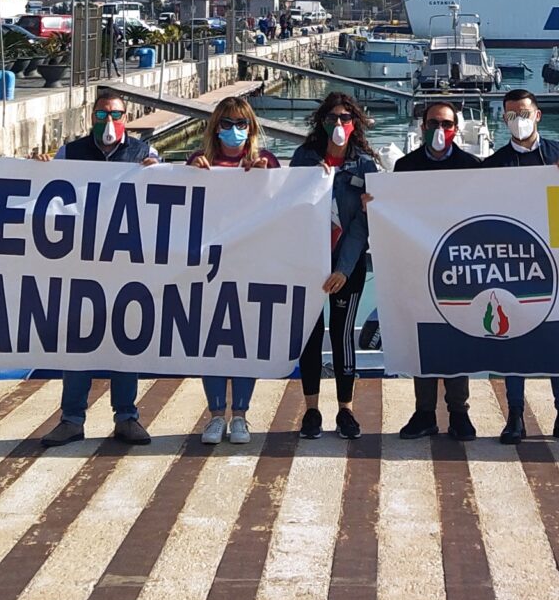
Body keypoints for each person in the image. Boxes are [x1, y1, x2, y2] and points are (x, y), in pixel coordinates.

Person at [46, 91, 160, 447]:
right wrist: (37, 166)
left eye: (115, 113)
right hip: (81, 261)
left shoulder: (144, 154)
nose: (108, 121)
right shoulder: (70, 152)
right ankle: (72, 419)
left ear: (126, 116)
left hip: (126, 264)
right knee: (77, 340)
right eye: (101, 114)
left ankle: (126, 417)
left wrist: (159, 173)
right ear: (91, 116)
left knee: (125, 339)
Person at [485, 90, 559, 444]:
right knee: (514, 338)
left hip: (557, 262)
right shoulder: (494, 165)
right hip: (513, 265)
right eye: (512, 114)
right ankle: (515, 415)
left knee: (558, 339)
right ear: (503, 120)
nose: (519, 120)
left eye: (524, 112)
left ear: (538, 115)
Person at [187, 95, 279, 444]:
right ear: (216, 127)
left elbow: (289, 205)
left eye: (242, 124)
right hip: (206, 267)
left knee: (243, 342)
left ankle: (240, 415)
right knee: (211, 342)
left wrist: (267, 181)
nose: (235, 130)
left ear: (251, 128)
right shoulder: (198, 161)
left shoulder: (265, 162)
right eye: (227, 123)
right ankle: (214, 415)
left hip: (250, 265)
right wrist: (187, 174)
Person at [395, 97, 484, 441]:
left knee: (456, 338)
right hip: (418, 264)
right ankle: (424, 412)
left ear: (456, 130)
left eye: (447, 125)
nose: (440, 130)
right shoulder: (405, 166)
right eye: (434, 123)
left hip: (458, 267)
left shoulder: (471, 166)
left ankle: (459, 412)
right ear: (423, 127)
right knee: (426, 341)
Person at [294, 91, 378, 438]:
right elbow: (288, 206)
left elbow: (362, 224)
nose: (339, 124)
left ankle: (346, 410)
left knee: (343, 335)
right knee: (310, 337)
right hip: (309, 262)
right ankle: (311, 411)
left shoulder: (364, 164)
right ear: (323, 122)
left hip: (348, 265)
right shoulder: (304, 158)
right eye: (333, 118)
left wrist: (343, 268)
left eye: (345, 118)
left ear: (354, 123)